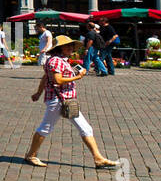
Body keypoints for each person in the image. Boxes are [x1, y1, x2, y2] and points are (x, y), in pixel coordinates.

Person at [24, 35, 118, 168]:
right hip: (58, 100)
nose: (71, 48)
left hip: (67, 100)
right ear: (59, 48)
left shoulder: (62, 60)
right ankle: (31, 156)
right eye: (67, 46)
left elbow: (46, 77)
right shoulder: (56, 60)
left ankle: (98, 158)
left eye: (71, 46)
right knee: (45, 128)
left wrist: (38, 93)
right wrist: (77, 77)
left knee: (85, 128)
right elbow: (57, 80)